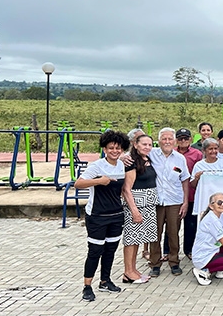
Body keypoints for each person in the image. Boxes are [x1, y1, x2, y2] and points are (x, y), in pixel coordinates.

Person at [74, 130, 130, 301]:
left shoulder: (121, 165)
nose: (115, 151)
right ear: (104, 149)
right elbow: (78, 184)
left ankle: (105, 281)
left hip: (116, 215)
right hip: (97, 215)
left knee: (110, 250)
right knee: (95, 250)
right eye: (111, 148)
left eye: (118, 148)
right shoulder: (96, 166)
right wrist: (99, 181)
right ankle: (87, 286)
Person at [147, 128, 190, 277]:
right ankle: (155, 264)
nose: (167, 142)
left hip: (174, 201)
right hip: (156, 201)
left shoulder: (179, 158)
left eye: (170, 139)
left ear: (174, 141)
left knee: (173, 233)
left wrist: (185, 202)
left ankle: (174, 262)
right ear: (159, 141)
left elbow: (185, 180)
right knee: (155, 234)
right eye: (164, 139)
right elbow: (132, 155)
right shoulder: (150, 154)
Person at [120, 134, 158, 283]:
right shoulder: (131, 162)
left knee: (138, 239)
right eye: (144, 144)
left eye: (150, 144)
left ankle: (133, 269)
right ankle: (127, 272)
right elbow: (126, 189)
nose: (147, 147)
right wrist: (134, 210)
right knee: (131, 239)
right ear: (135, 145)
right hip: (136, 204)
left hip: (148, 204)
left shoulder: (148, 159)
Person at [176, 128, 202, 260]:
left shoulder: (197, 154)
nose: (183, 141)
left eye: (186, 138)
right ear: (176, 140)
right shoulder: (171, 153)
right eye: (180, 138)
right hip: (174, 194)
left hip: (192, 194)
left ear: (191, 139)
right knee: (172, 225)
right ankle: (168, 251)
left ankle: (189, 250)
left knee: (191, 225)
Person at [190, 138, 223, 215]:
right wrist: (197, 178)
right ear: (204, 150)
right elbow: (193, 185)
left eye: (215, 148)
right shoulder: (199, 165)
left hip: (221, 201)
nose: (213, 151)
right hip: (204, 200)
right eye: (210, 149)